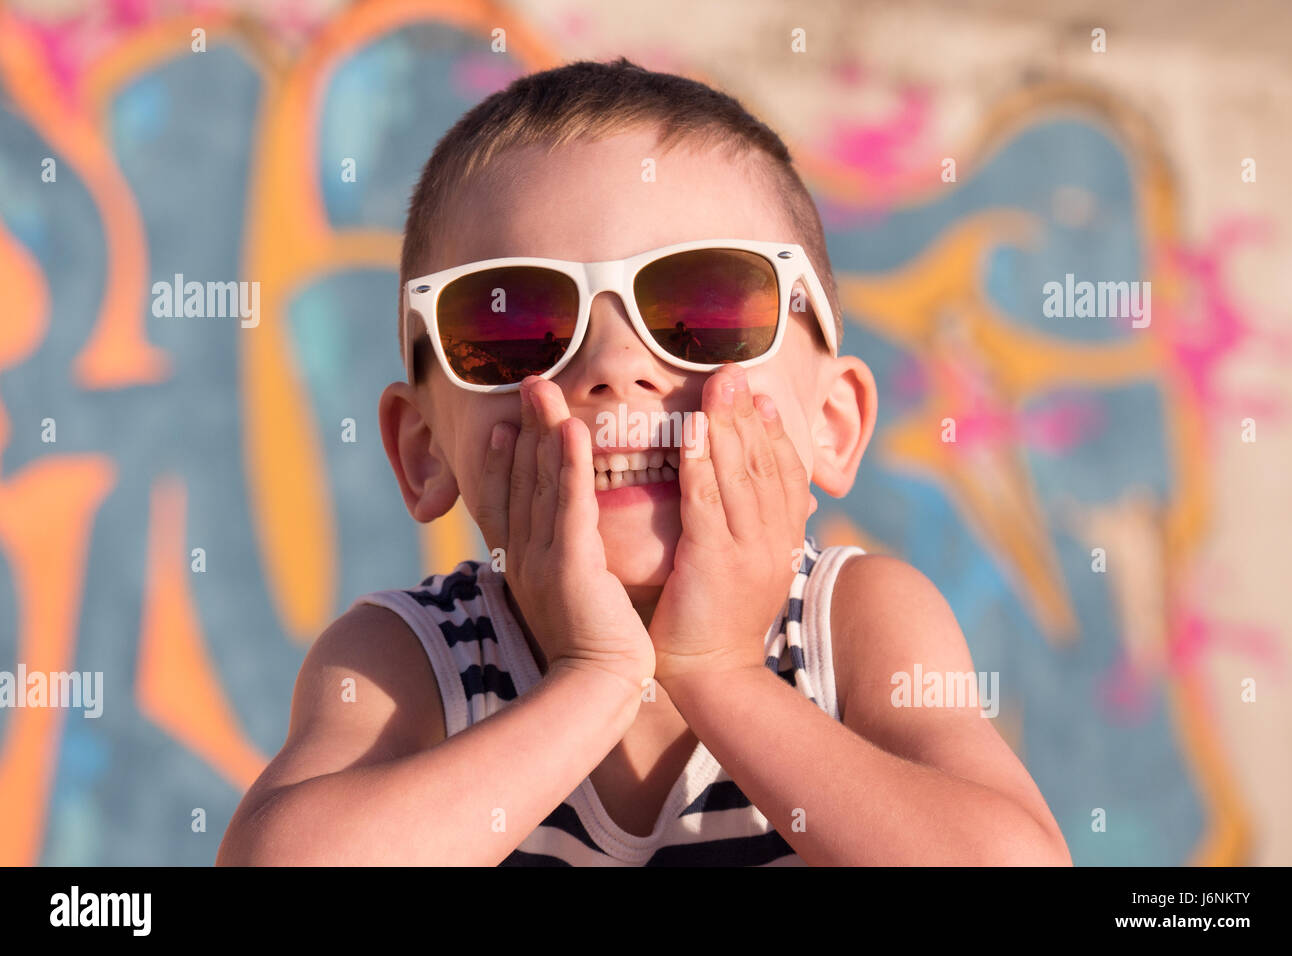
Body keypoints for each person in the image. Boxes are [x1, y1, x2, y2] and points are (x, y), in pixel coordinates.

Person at [216, 58, 1070, 867]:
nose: (612, 367)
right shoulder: (411, 662)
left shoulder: (852, 631)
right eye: (515, 325)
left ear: (834, 424)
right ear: (424, 451)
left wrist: (724, 676)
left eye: (703, 307)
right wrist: (594, 680)